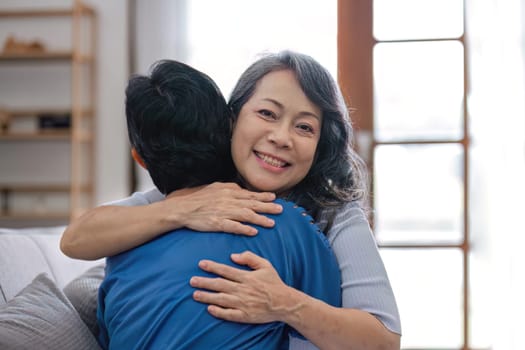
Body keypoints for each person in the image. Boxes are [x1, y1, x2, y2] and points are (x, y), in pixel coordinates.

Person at [61, 51, 402, 349]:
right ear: (232, 118)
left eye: (304, 128)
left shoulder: (335, 217)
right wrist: (181, 210)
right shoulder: (196, 195)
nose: (281, 138)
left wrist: (283, 303)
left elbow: (383, 342)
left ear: (320, 145)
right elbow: (76, 239)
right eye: (267, 113)